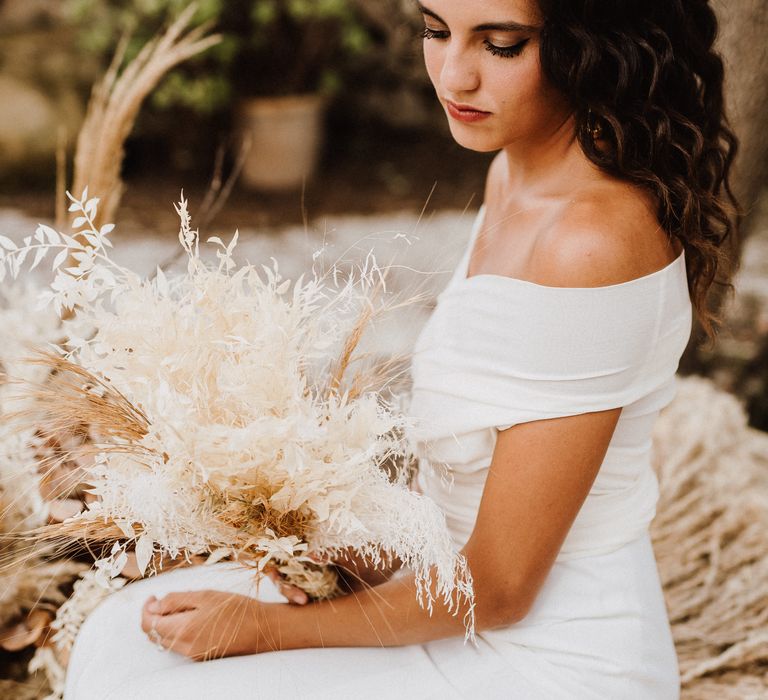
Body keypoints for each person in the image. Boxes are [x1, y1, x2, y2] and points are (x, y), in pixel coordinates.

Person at [64, 1, 739, 698]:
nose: (454, 75)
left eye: (501, 44)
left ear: (595, 45)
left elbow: (502, 589)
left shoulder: (589, 243)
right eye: (436, 30)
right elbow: (480, 460)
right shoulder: (518, 172)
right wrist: (347, 555)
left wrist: (264, 630)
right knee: (122, 636)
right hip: (457, 593)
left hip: (549, 656)